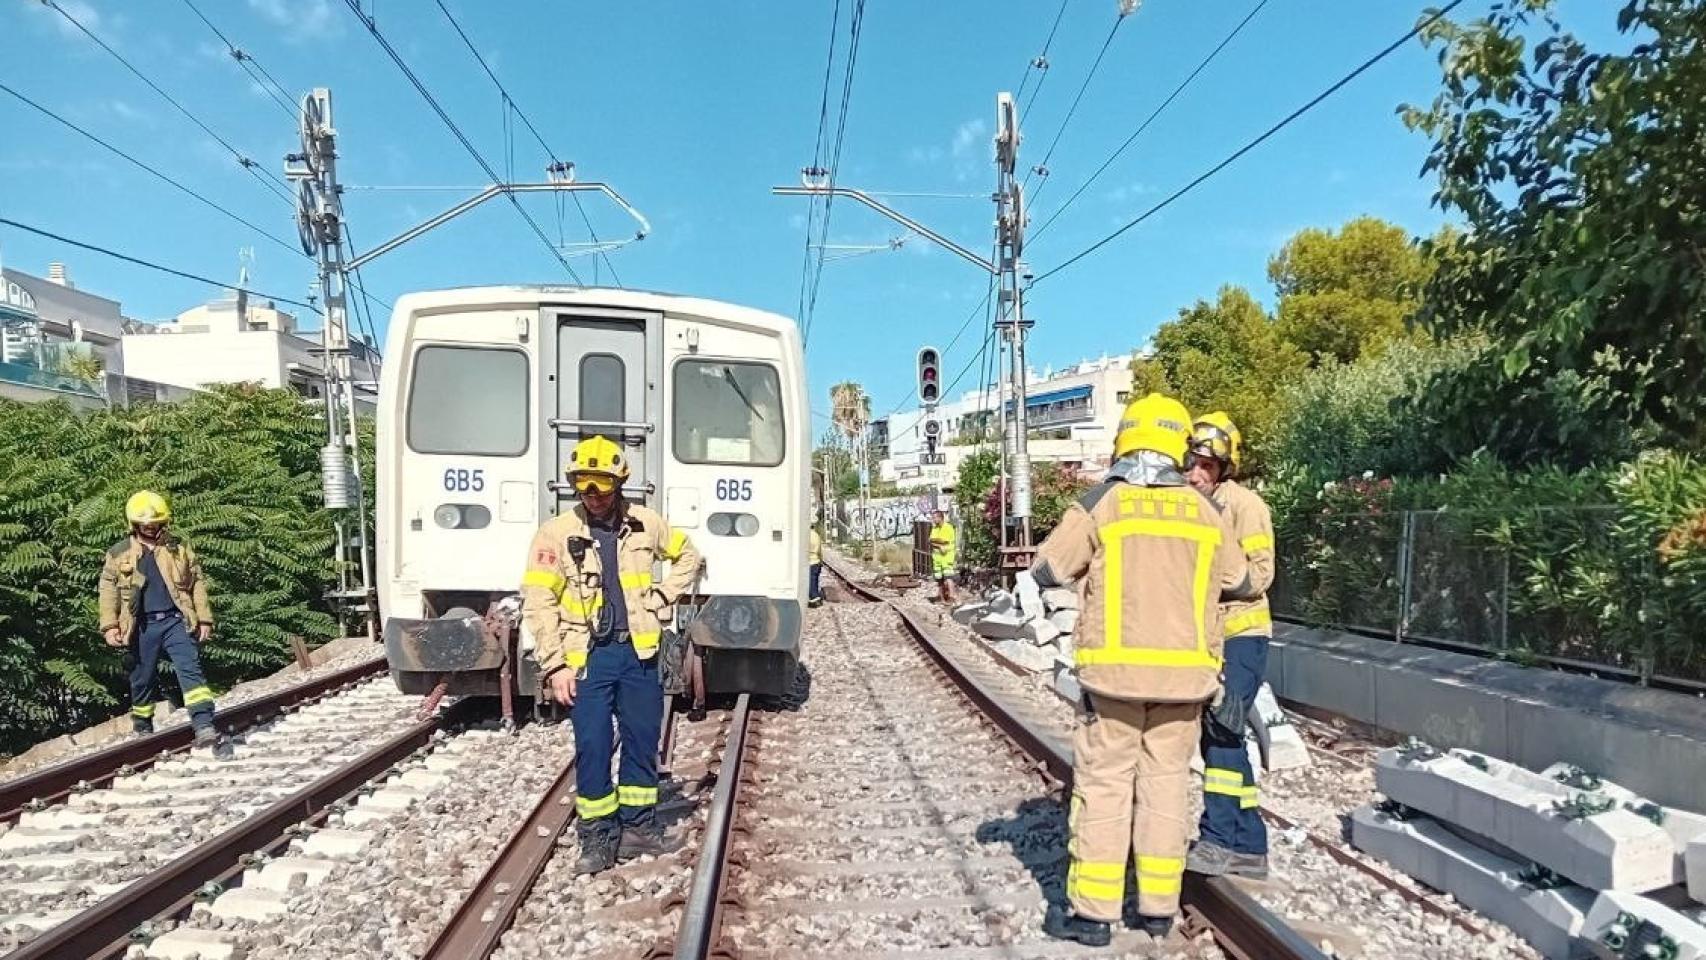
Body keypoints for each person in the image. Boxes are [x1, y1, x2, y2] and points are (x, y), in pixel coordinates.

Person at [1029, 394, 1253, 946]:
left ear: (1126, 440)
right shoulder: (1207, 511)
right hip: (1185, 682)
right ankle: (1156, 909)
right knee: (1167, 786)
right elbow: (1242, 580)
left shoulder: (1104, 502)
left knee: (1105, 787)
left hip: (1116, 679)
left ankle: (1093, 915)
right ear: (1178, 446)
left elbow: (1047, 568)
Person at [520, 436, 704, 875]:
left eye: (601, 488)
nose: (594, 497)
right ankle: (596, 837)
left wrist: (663, 595)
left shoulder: (645, 525)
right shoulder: (556, 535)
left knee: (642, 739)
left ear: (619, 484)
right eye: (584, 488)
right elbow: (538, 600)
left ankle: (638, 827)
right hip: (586, 659)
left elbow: (689, 555)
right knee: (593, 745)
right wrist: (555, 664)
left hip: (638, 652)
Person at [1184, 412, 1276, 880]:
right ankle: (1250, 844)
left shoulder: (1244, 506)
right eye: (1192, 463)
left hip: (1242, 633)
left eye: (1208, 466)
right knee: (1223, 736)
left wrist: (1215, 581)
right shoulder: (1191, 505)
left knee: (1222, 729)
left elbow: (1261, 575)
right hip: (1210, 637)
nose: (1197, 473)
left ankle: (1219, 839)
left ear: (1224, 469)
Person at [98, 490, 232, 759]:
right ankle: (143, 728)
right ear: (134, 524)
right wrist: (110, 626)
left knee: (190, 670)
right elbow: (108, 590)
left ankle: (204, 725)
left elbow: (197, 584)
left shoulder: (179, 548)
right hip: (140, 626)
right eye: (145, 524)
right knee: (141, 679)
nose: (151, 528)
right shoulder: (119, 553)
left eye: (156, 523)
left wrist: (205, 619)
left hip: (175, 621)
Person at [928, 509, 957, 603]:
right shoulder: (935, 528)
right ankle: (942, 598)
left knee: (949, 577)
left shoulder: (948, 527)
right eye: (933, 518)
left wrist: (937, 541)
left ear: (941, 518)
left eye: (935, 518)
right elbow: (931, 540)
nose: (933, 520)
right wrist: (938, 543)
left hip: (947, 556)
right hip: (937, 558)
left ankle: (952, 596)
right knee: (939, 579)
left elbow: (945, 541)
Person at [808, 527, 824, 607]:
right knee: (815, 580)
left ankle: (814, 598)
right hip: (816, 561)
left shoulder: (805, 535)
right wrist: (821, 560)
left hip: (809, 561)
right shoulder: (816, 535)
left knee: (811, 581)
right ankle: (816, 596)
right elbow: (820, 551)